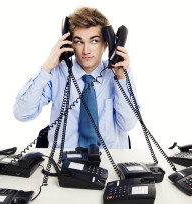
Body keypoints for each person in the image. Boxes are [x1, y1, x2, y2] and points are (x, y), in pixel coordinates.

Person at [13, 7, 138, 149]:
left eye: (94, 41)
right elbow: (22, 114)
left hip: (109, 162)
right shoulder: (56, 72)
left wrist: (121, 77)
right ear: (69, 43)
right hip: (64, 162)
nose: (86, 50)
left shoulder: (118, 72)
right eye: (79, 41)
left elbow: (128, 124)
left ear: (107, 43)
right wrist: (46, 67)